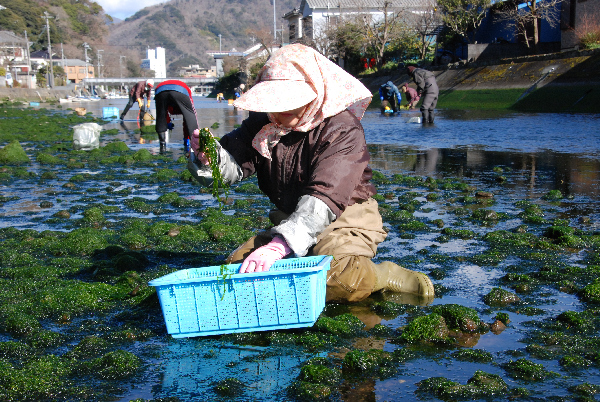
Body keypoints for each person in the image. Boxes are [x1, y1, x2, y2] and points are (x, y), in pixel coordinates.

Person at [188, 44, 434, 303]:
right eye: (274, 102)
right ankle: (303, 253)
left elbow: (326, 195)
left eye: (290, 100)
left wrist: (278, 245)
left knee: (337, 280)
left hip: (344, 219)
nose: (281, 110)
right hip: (291, 217)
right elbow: (233, 166)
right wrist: (210, 159)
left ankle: (384, 275)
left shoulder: (342, 129)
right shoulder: (262, 124)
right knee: (237, 269)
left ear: (315, 92)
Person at [154, 79, 199, 155]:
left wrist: (166, 122)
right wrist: (186, 139)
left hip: (160, 90)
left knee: (160, 116)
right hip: (179, 90)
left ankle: (162, 144)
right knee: (190, 115)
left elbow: (163, 114)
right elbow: (189, 118)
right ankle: (195, 144)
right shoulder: (186, 97)